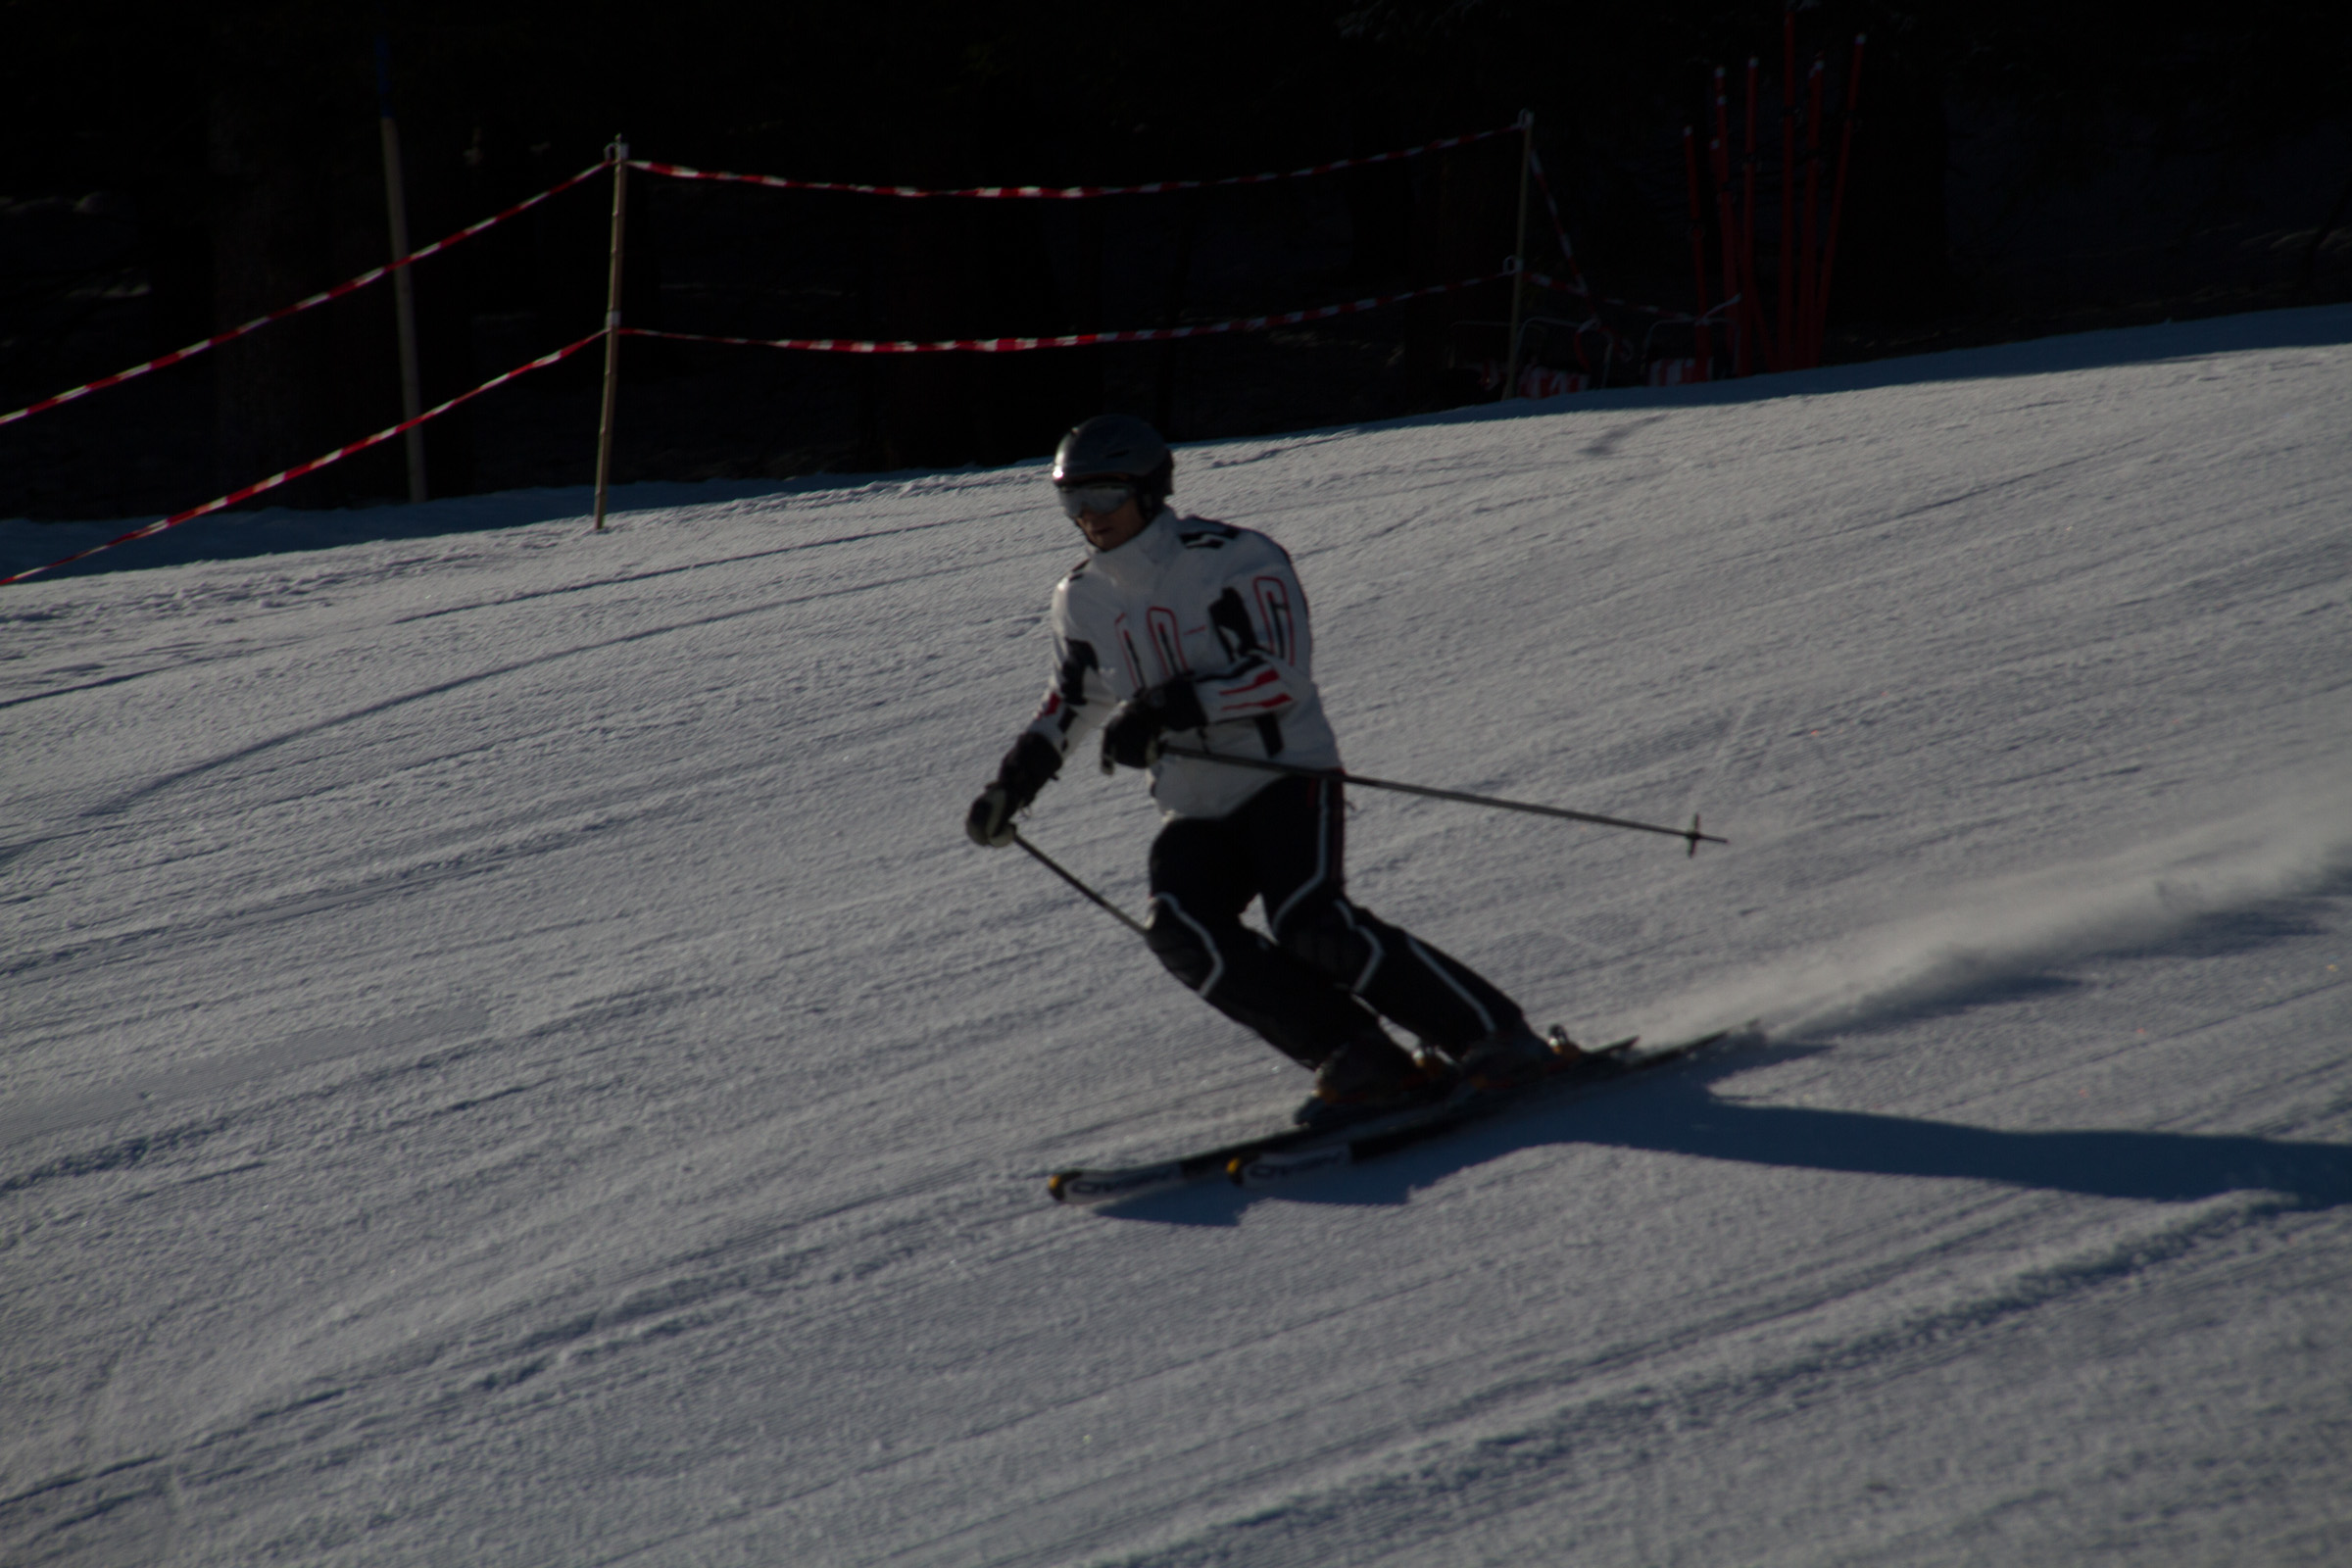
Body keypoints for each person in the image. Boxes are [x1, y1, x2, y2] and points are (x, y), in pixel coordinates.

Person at [964, 414, 1568, 1125]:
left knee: (1311, 923)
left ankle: (1495, 1037)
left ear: (1150, 491)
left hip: (1284, 775)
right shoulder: (1082, 598)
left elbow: (1281, 674)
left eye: (1104, 495)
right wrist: (1013, 785)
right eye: (1072, 500)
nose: (1088, 516)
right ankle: (1359, 1057)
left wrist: (1164, 710)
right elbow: (1071, 701)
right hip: (1194, 803)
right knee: (1182, 932)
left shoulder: (1233, 559)